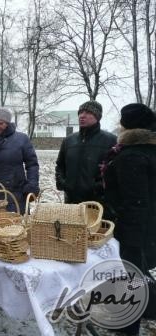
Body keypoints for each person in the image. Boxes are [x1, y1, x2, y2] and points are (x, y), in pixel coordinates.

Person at [103, 103, 156, 335]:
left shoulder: (130, 156)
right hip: (149, 227)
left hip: (135, 230)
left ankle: (128, 326)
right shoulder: (149, 150)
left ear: (126, 126)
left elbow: (135, 202)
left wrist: (130, 239)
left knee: (132, 277)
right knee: (141, 275)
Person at [55, 100, 116, 204]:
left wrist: (96, 188)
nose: (82, 116)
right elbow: (60, 166)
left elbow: (114, 171)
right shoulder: (69, 140)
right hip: (71, 201)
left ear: (97, 116)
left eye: (87, 112)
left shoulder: (111, 140)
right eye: (80, 112)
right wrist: (63, 184)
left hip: (98, 202)